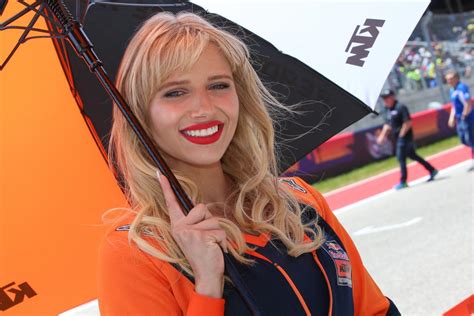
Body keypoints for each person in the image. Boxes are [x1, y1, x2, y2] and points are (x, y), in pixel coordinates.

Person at [98, 12, 400, 315]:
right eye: (175, 92)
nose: (204, 108)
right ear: (140, 114)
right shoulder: (136, 252)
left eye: (218, 85)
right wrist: (207, 287)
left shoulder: (299, 201)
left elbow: (374, 310)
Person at [377, 89, 438, 189]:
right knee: (413, 155)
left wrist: (402, 135)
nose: (386, 100)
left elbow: (408, 122)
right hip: (397, 137)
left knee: (401, 158)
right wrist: (382, 135)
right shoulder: (387, 110)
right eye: (384, 98)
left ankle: (403, 181)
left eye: (387, 97)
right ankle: (432, 170)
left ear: (392, 96)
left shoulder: (400, 107)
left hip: (405, 137)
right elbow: (387, 124)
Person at [445, 70, 474, 170]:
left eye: (450, 79)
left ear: (456, 78)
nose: (448, 81)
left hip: (467, 118)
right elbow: (454, 105)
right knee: (463, 139)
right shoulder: (452, 90)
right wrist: (451, 117)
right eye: (447, 79)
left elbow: (468, 102)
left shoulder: (462, 87)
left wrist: (465, 114)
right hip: (459, 118)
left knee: (470, 138)